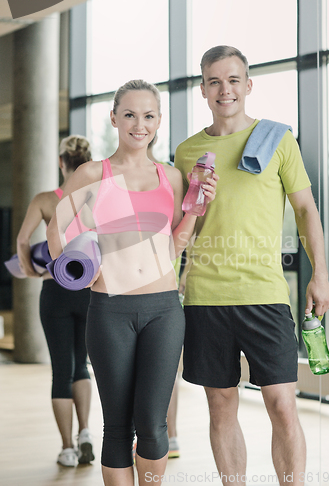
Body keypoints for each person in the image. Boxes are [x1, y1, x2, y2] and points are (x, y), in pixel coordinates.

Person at [174, 46, 329, 486]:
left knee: (283, 404)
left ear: (248, 85)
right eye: (214, 81)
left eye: (232, 80)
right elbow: (178, 226)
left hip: (264, 295)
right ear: (203, 89)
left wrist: (320, 275)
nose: (224, 90)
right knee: (221, 405)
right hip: (205, 295)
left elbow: (306, 211)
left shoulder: (278, 139)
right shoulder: (187, 152)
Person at [46, 79, 217, 486]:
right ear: (114, 118)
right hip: (109, 311)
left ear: (158, 121)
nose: (139, 125)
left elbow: (176, 243)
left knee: (154, 424)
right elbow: (56, 230)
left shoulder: (172, 177)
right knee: (118, 426)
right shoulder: (92, 173)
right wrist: (78, 274)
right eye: (130, 115)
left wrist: (196, 206)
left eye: (149, 116)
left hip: (163, 310)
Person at [16, 135, 95, 467]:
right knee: (82, 365)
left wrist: (30, 272)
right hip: (90, 291)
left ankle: (67, 448)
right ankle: (86, 432)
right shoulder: (96, 199)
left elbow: (23, 240)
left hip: (56, 291)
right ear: (87, 161)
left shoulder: (46, 199)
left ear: (61, 162)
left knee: (60, 370)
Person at [146, 134, 181, 459]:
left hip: (166, 294)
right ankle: (171, 434)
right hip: (121, 298)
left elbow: (180, 238)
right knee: (165, 376)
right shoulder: (104, 176)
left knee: (163, 374)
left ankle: (169, 434)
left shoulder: (170, 177)